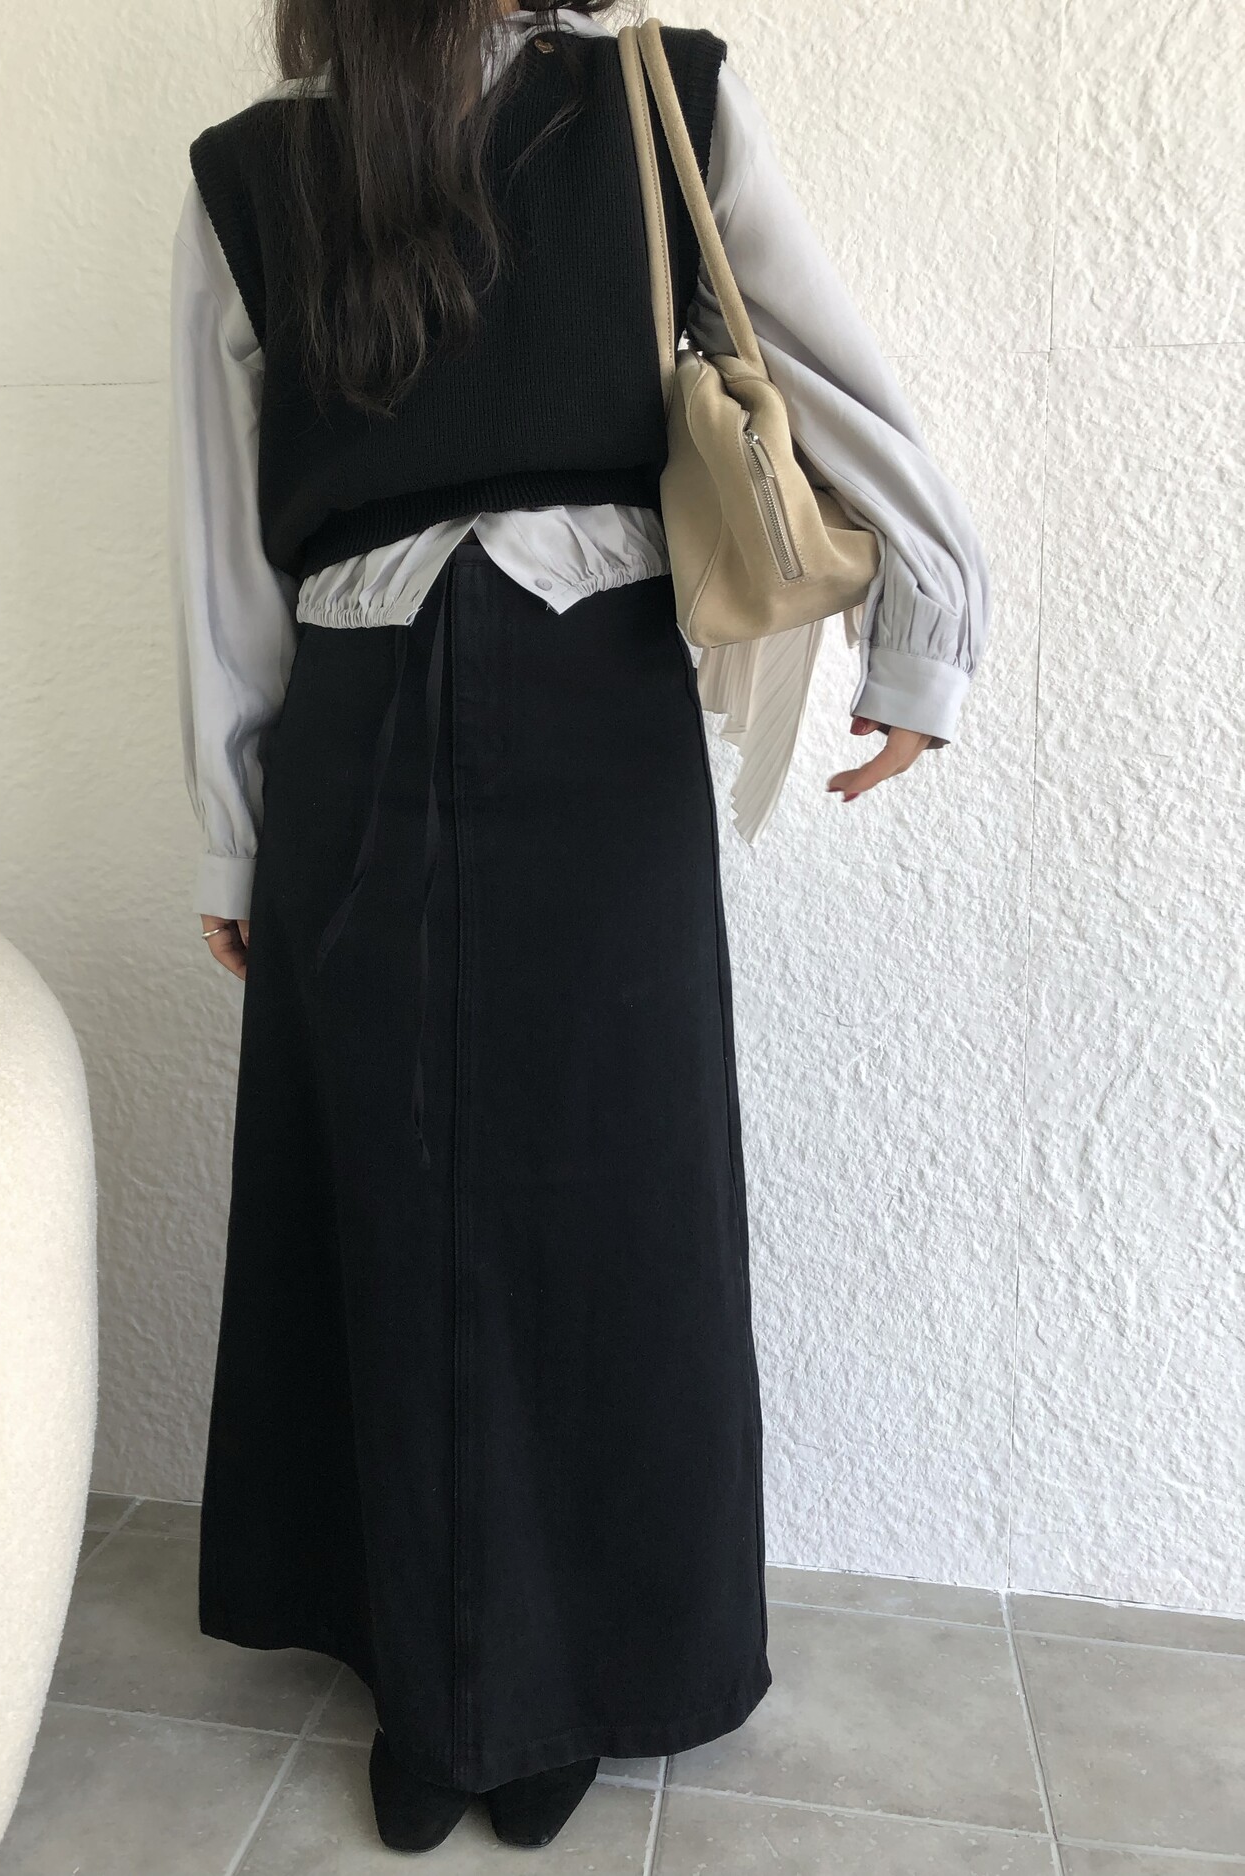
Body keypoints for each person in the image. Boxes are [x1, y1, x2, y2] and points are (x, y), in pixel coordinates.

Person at [169, 0, 988, 1853]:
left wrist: (928, 624)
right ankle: (440, 1681)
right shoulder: (252, 176)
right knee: (392, 1188)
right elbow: (223, 539)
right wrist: (233, 831)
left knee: (606, 1197)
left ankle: (559, 1677)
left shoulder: (654, 93)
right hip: (370, 723)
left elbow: (818, 366)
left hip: (589, 702)